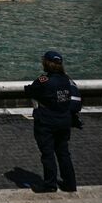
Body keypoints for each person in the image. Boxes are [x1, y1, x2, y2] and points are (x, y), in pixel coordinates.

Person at [24, 51, 82, 193]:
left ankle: (50, 184)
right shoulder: (67, 80)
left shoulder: (44, 80)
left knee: (48, 154)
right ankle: (70, 183)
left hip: (46, 122)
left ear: (47, 63)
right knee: (63, 152)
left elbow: (31, 91)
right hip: (64, 121)